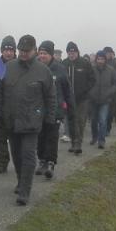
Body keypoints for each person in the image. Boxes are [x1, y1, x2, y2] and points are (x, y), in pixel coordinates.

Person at [0, 34, 55, 206]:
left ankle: (25, 191)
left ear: (34, 50)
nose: (23, 53)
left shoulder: (43, 71)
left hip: (32, 122)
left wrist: (50, 119)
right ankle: (21, 181)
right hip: (12, 121)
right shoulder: (7, 68)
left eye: (27, 51)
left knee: (28, 155)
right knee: (17, 155)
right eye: (21, 50)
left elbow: (50, 97)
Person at [35, 40, 72, 180]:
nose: (42, 56)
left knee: (52, 137)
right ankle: (42, 161)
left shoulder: (60, 69)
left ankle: (51, 163)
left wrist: (68, 107)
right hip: (39, 110)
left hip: (55, 109)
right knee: (40, 137)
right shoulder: (35, 67)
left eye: (45, 53)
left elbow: (67, 90)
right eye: (40, 53)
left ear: (51, 54)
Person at [62, 41, 95, 155]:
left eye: (73, 52)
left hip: (82, 99)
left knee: (80, 121)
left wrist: (85, 90)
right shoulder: (64, 64)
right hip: (68, 99)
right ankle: (73, 142)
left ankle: (78, 143)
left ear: (77, 52)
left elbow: (92, 79)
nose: (71, 54)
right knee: (71, 121)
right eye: (69, 52)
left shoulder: (84, 63)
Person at [0, 35, 16, 174]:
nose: (8, 53)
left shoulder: (19, 65)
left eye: (11, 50)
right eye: (6, 50)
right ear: (1, 50)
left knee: (16, 140)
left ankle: (19, 162)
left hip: (16, 110)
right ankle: (2, 163)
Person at [88, 49, 116, 149]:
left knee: (103, 120)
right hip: (93, 99)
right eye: (98, 59)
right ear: (96, 59)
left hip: (105, 100)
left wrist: (110, 92)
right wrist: (90, 92)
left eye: (102, 59)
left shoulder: (111, 70)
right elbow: (87, 82)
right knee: (93, 120)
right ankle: (94, 137)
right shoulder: (91, 69)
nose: (100, 61)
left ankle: (101, 140)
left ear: (105, 60)